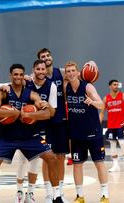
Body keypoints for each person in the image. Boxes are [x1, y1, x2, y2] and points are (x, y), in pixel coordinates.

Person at [0, 64, 63, 203]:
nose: (18, 77)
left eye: (21, 74)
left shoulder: (31, 94)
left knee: (52, 158)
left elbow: (47, 113)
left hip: (29, 136)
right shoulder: (3, 92)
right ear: (10, 75)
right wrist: (13, 113)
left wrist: (31, 115)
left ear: (24, 76)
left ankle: (56, 196)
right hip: (7, 137)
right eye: (15, 74)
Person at [64, 61, 109, 203]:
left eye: (73, 71)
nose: (71, 73)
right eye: (68, 71)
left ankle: (104, 195)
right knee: (77, 164)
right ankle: (80, 196)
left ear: (78, 73)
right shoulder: (66, 88)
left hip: (92, 132)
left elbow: (102, 104)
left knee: (99, 163)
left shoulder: (88, 87)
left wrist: (92, 102)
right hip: (76, 134)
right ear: (66, 73)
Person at [15, 59, 57, 203]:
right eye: (38, 69)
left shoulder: (51, 86)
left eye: (43, 69)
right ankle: (19, 191)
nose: (41, 71)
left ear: (46, 70)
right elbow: (9, 86)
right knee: (22, 161)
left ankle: (30, 193)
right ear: (33, 70)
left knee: (35, 162)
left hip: (40, 128)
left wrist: (47, 106)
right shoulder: (26, 82)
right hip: (23, 127)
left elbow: (52, 112)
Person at [37, 48, 70, 202]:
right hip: (45, 121)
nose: (46, 58)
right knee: (47, 157)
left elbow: (77, 73)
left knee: (61, 157)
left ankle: (60, 192)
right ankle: (49, 193)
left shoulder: (61, 72)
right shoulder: (36, 76)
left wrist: (88, 67)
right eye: (43, 57)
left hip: (61, 120)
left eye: (48, 55)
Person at [99, 79, 124, 172]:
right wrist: (98, 123)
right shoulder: (106, 98)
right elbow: (102, 112)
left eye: (117, 84)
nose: (116, 86)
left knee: (122, 143)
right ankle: (115, 165)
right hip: (111, 125)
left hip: (121, 124)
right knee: (112, 145)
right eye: (114, 84)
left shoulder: (123, 96)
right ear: (110, 86)